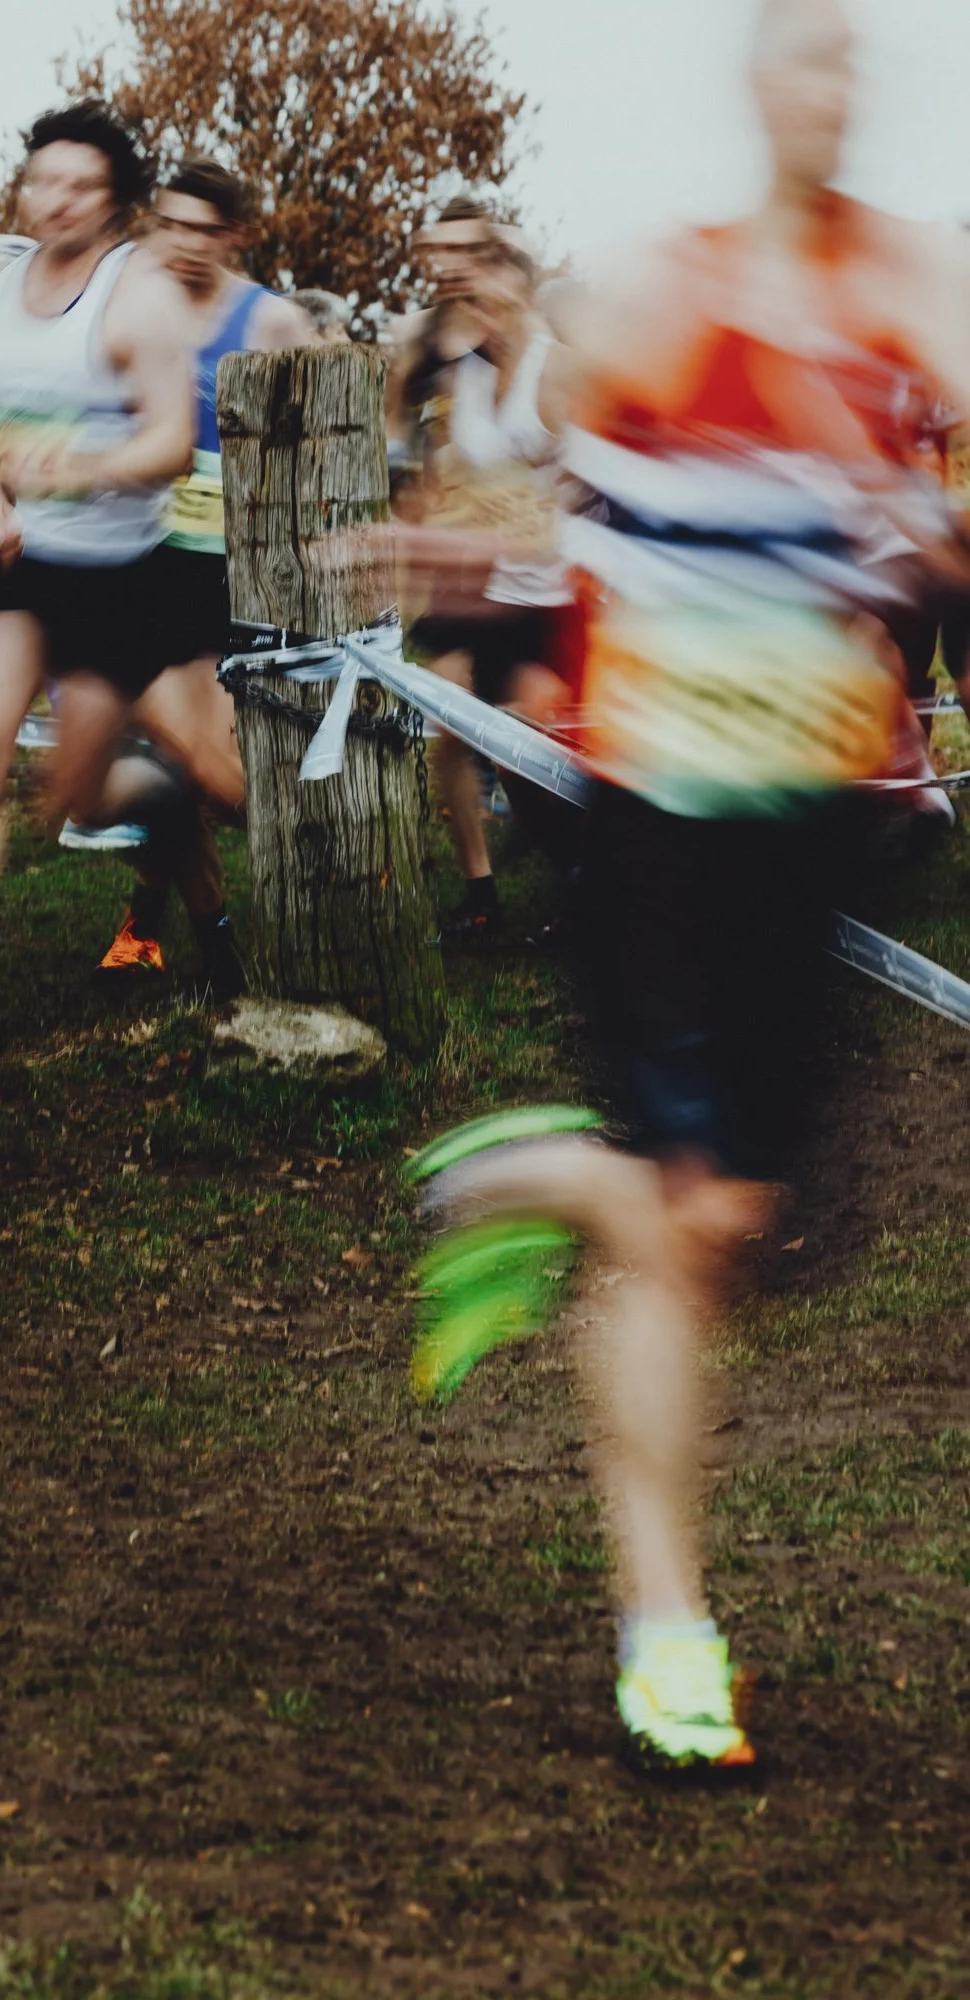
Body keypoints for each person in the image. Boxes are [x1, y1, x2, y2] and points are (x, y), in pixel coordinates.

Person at [411, 0, 970, 1770]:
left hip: (811, 815)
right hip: (653, 815)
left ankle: (522, 1176)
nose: (822, 90)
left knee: (747, 1228)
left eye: (846, 62)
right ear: (753, 89)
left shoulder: (914, 290)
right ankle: (666, 1632)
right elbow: (579, 519)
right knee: (696, 1216)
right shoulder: (665, 288)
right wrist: (470, 575)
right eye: (794, 60)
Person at [0, 100, 196, 1045]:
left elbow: (173, 443)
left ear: (116, 199)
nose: (59, 200)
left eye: (82, 185)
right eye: (44, 181)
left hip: (113, 574)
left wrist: (77, 469)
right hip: (13, 565)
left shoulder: (139, 292)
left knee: (73, 799)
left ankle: (155, 797)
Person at [92, 156, 314, 994]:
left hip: (226, 571)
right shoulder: (130, 304)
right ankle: (209, 941)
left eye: (202, 230)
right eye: (169, 226)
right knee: (176, 756)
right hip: (138, 562)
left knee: (212, 776)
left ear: (235, 236)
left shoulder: (272, 322)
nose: (183, 244)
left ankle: (306, 875)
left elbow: (326, 433)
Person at [398, 233, 581, 944]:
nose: (480, 311)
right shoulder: (463, 377)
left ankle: (584, 878)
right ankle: (481, 894)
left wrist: (553, 506)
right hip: (477, 588)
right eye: (469, 298)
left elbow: (602, 474)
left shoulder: (557, 370)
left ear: (521, 288)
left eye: (491, 294)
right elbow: (445, 463)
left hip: (552, 592)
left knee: (528, 753)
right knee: (449, 727)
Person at [385, 196, 496, 494]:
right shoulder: (409, 335)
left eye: (471, 249)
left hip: (495, 505)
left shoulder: (505, 340)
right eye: (448, 249)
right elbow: (391, 425)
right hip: (426, 506)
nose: (457, 263)